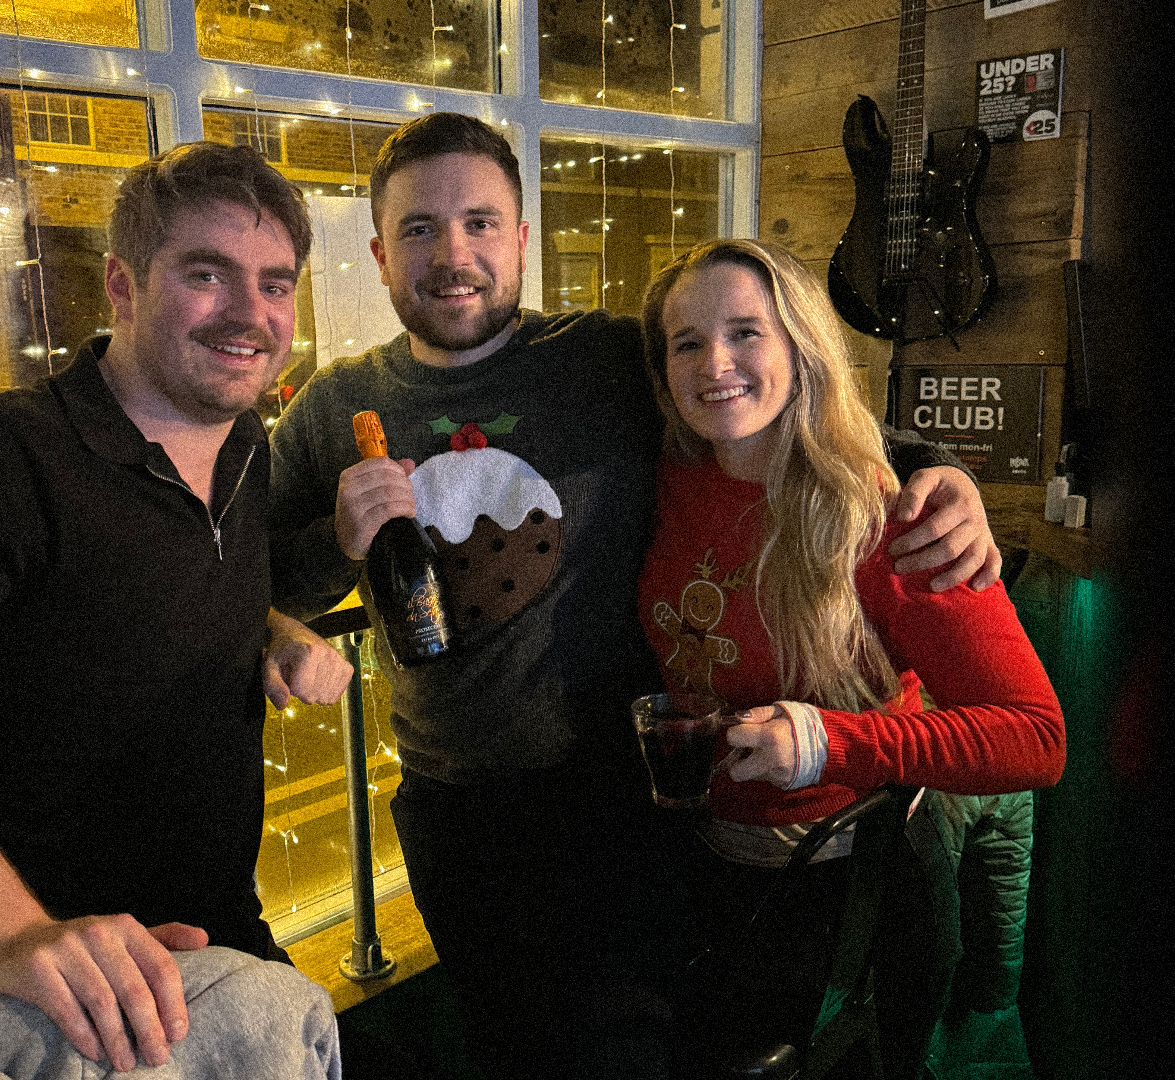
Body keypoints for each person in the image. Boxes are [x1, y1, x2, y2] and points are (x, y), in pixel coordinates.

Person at [267, 112, 1000, 1079]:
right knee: (506, 1046)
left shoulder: (604, 356)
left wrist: (938, 469)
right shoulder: (332, 406)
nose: (453, 255)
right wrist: (335, 543)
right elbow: (254, 576)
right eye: (419, 229)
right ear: (378, 252)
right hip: (456, 811)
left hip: (622, 788)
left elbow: (772, 408)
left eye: (481, 223)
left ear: (521, 239)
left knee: (640, 1044)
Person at [0, 142, 353, 1075]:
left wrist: (273, 630)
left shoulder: (244, 442)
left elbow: (156, 582)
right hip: (64, 990)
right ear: (121, 286)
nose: (250, 312)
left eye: (275, 283)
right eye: (206, 274)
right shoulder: (5, 456)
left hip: (224, 932)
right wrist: (15, 937)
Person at [636, 239, 1065, 1077]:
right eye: (687, 342)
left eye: (746, 332)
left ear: (802, 345)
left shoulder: (890, 518)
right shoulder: (667, 478)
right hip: (710, 875)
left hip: (857, 891)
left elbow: (1036, 737)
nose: (715, 363)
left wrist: (828, 743)